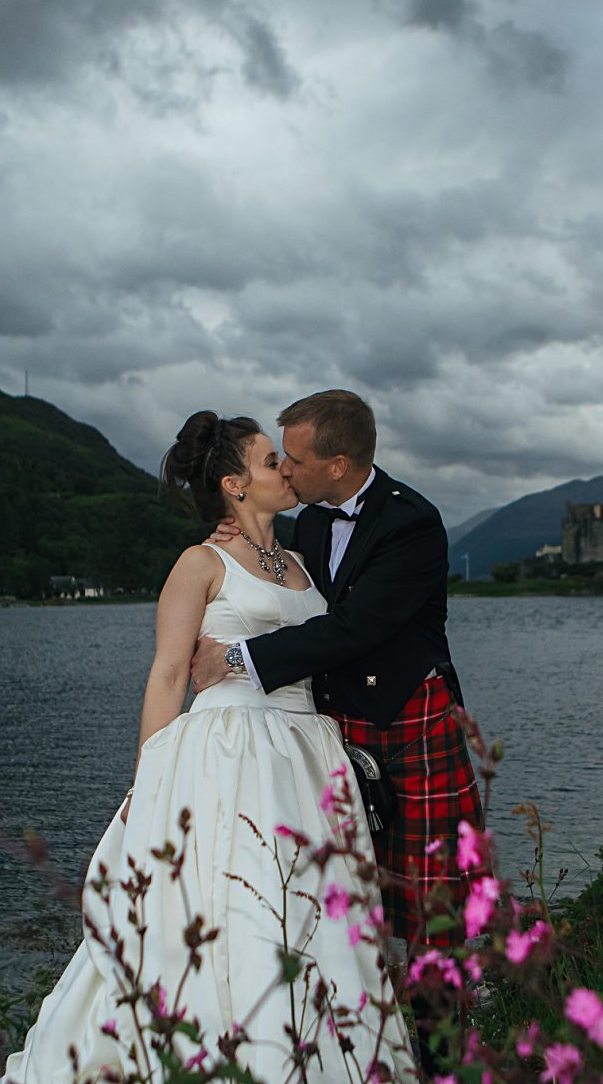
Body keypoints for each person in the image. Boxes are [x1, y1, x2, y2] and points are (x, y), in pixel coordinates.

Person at [0, 411, 413, 1084]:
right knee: (236, 935)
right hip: (230, 761)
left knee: (321, 939)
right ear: (234, 483)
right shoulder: (198, 565)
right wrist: (149, 788)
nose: (285, 470)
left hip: (309, 762)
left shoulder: (304, 561)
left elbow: (334, 646)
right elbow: (166, 678)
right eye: (272, 460)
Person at [190, 391, 487, 1044]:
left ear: (340, 462)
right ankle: (367, 1055)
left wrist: (237, 656)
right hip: (338, 735)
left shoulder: (413, 525)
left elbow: (351, 630)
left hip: (411, 726)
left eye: (294, 459)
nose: (286, 469)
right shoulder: (315, 524)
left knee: (435, 918)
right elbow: (287, 588)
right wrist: (235, 529)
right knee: (352, 910)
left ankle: (445, 1081)